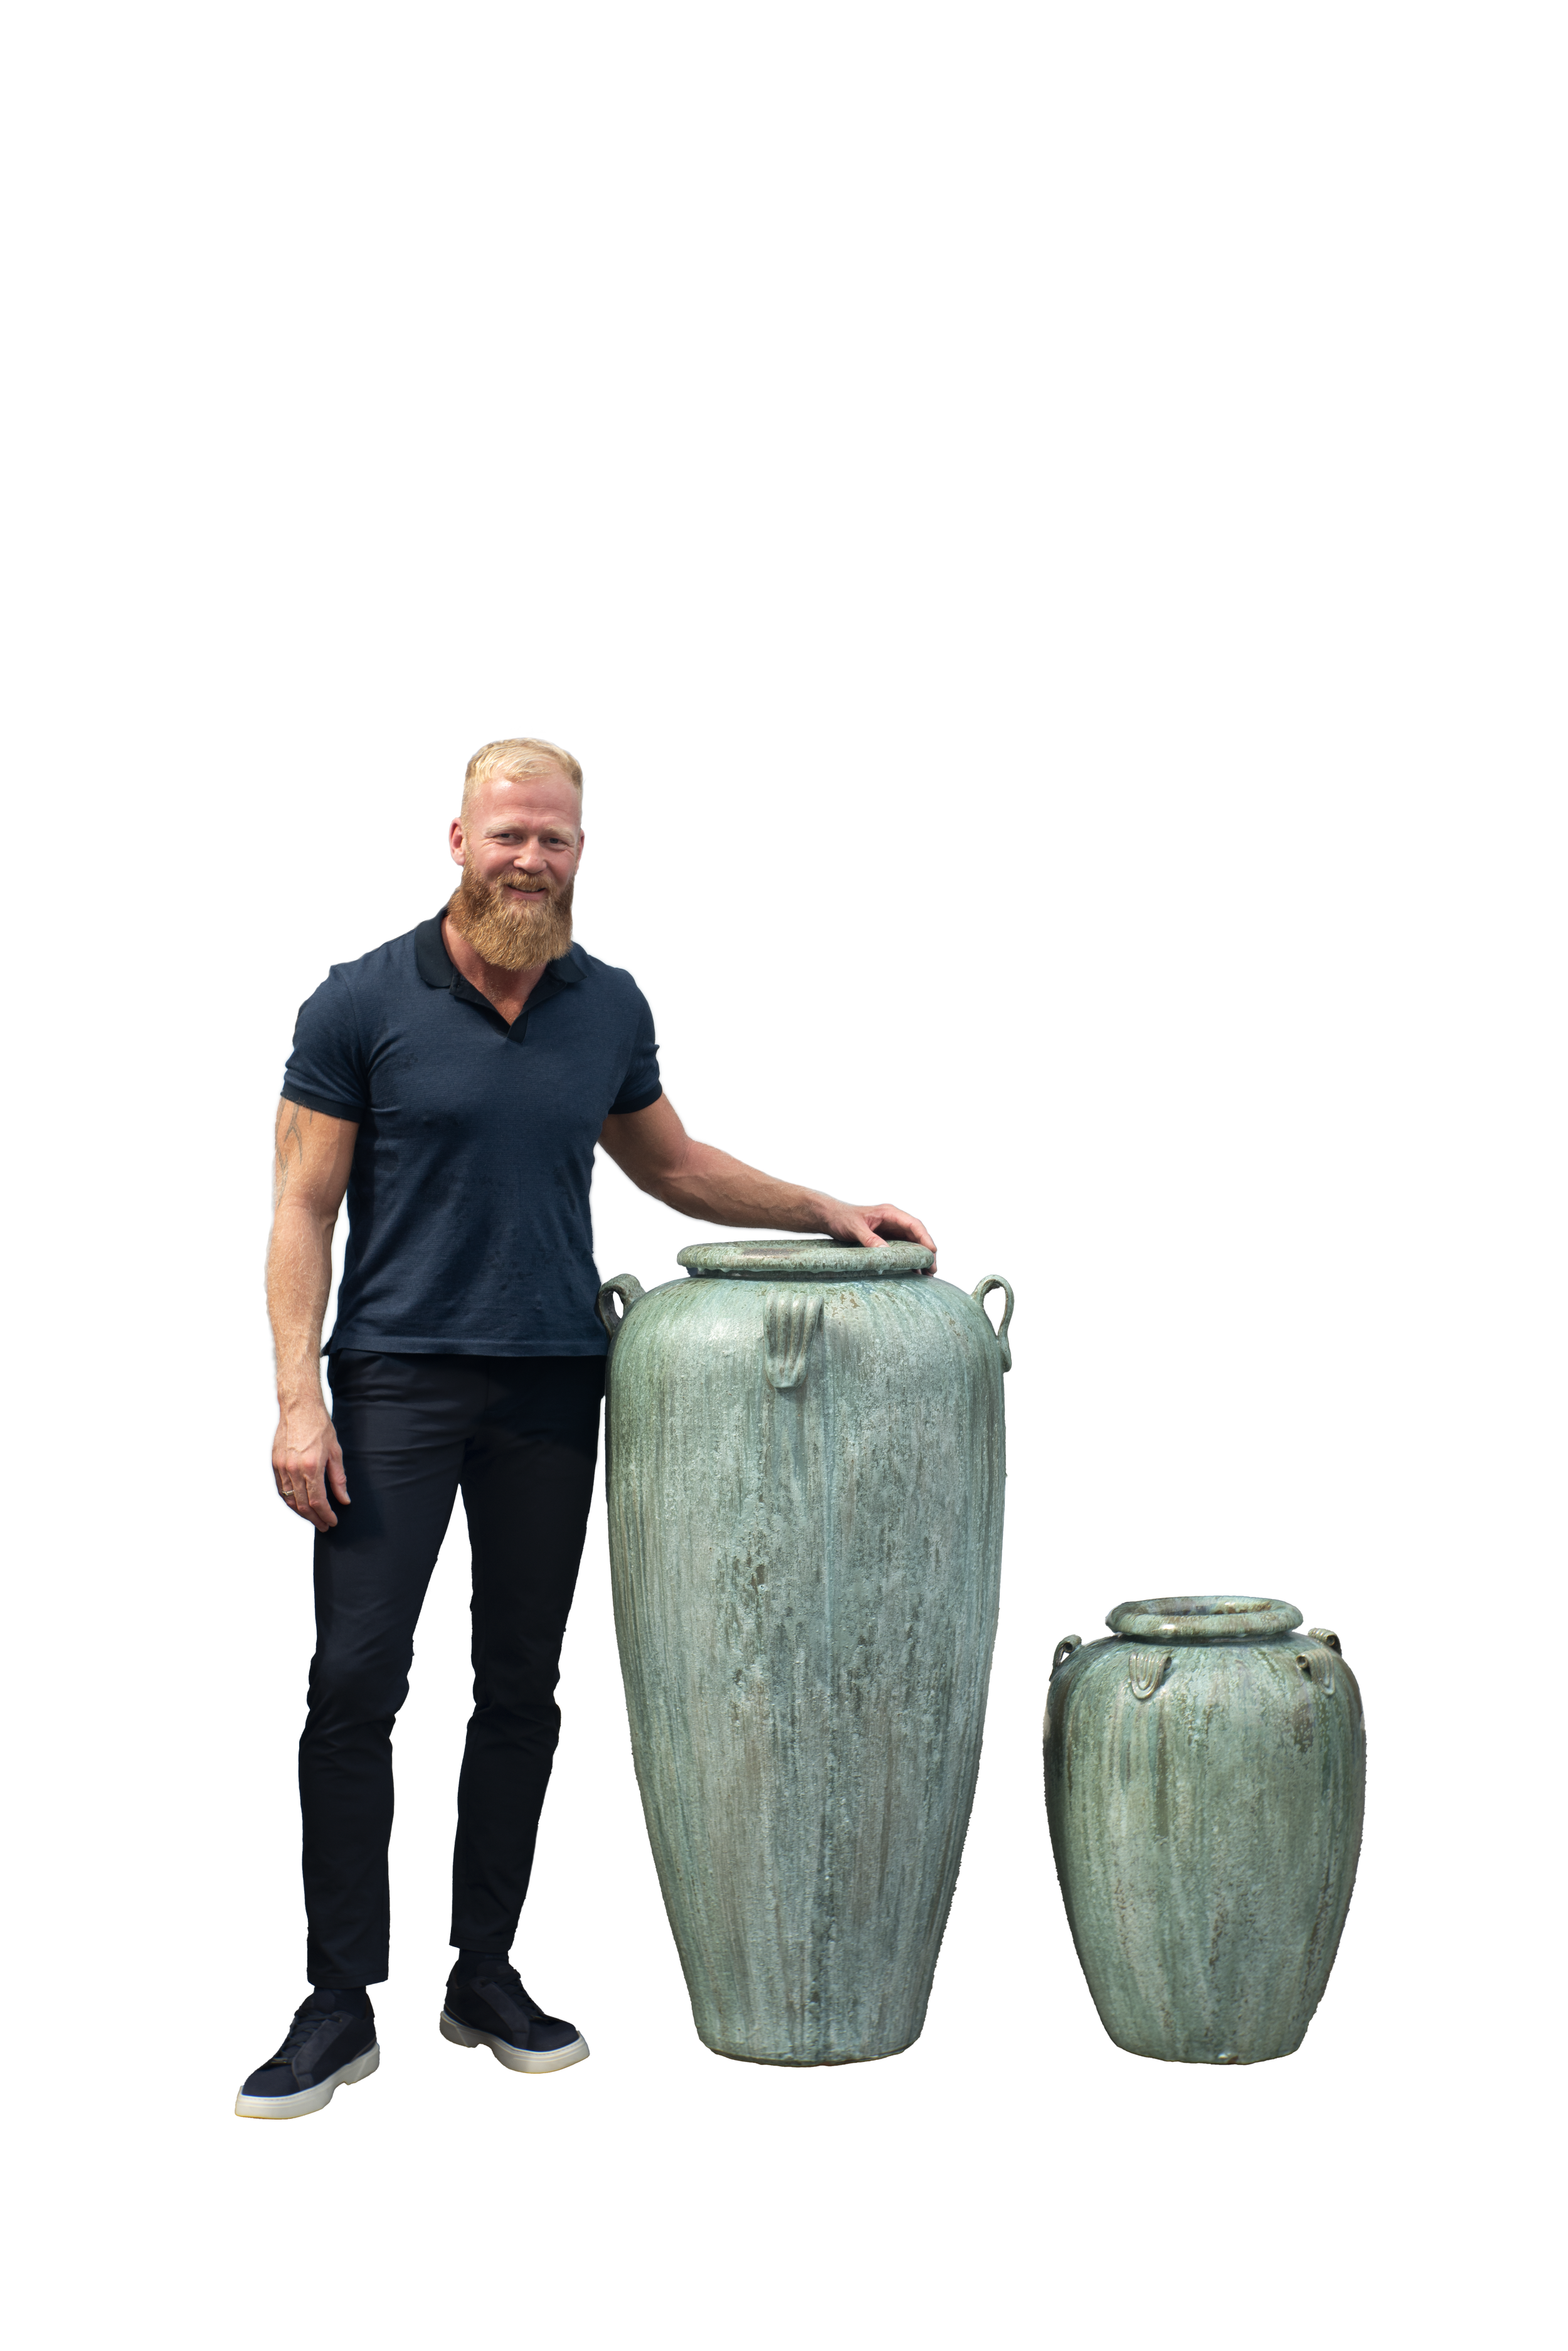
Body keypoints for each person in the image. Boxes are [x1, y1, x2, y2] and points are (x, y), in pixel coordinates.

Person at [242, 734, 936, 2117]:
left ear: (578, 853)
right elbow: (299, 1212)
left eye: (554, 838)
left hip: (558, 1380)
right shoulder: (358, 1001)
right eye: (508, 833)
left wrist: (819, 1205)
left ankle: (481, 1968)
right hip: (393, 1379)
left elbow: (672, 1166)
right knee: (352, 1687)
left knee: (521, 1688)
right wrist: (297, 1397)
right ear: (455, 838)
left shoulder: (605, 1005)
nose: (530, 857)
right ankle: (334, 1997)